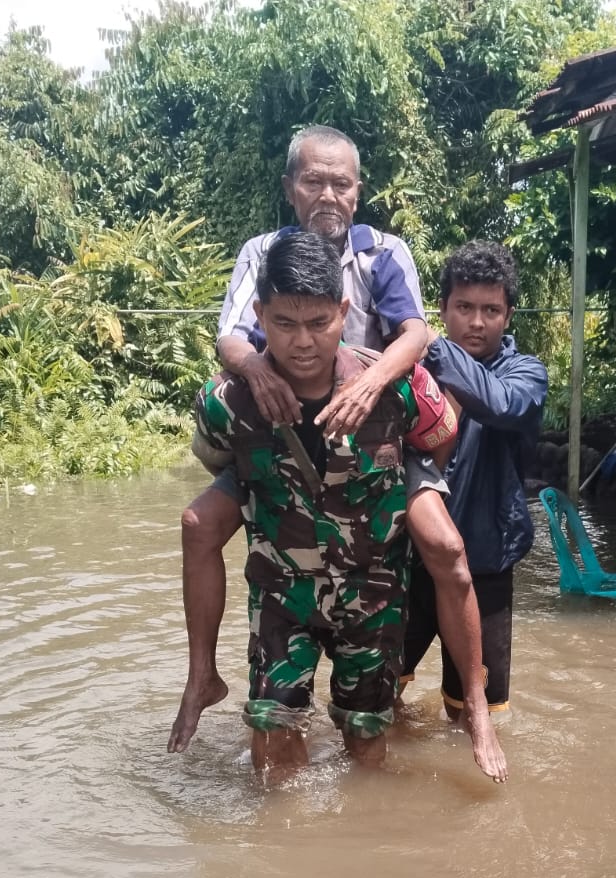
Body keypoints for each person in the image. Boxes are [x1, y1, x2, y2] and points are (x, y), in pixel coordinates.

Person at [169, 125, 506, 780]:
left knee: (445, 549)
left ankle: (477, 706)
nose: (328, 194)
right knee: (197, 524)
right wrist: (259, 376)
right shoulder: (261, 253)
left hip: (376, 426)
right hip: (275, 423)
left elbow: (416, 332)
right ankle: (201, 676)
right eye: (314, 181)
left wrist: (375, 382)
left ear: (358, 191)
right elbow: (229, 337)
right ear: (290, 187)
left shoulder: (382, 252)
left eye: (341, 183)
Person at [192, 231, 447, 770]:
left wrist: (409, 496)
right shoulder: (227, 403)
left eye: (318, 323)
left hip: (372, 596)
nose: (302, 341)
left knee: (366, 741)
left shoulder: (395, 389)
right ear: (259, 314)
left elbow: (440, 436)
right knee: (273, 742)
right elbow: (217, 458)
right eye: (283, 323)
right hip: (282, 595)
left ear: (344, 310)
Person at [402, 242, 547, 719]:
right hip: (411, 564)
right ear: (442, 309)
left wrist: (433, 348)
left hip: (485, 566)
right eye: (464, 308)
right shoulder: (411, 372)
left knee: (475, 711)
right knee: (375, 695)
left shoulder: (526, 374)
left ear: (508, 315)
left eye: (491, 310)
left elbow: (504, 403)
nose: (477, 322)